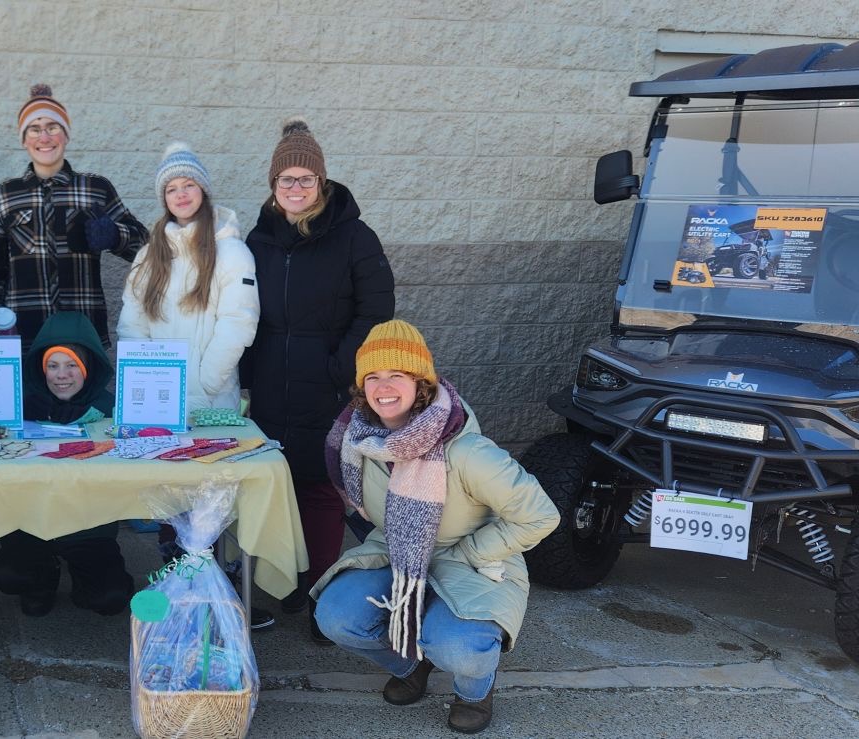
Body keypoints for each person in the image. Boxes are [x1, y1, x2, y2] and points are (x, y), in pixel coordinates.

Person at [311, 320, 559, 734]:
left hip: (469, 557)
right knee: (336, 616)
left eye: (397, 375)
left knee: (459, 647)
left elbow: (541, 514)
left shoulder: (467, 450)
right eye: (372, 376)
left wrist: (474, 552)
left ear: (421, 382)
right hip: (397, 551)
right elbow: (367, 512)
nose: (383, 386)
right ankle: (412, 663)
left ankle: (475, 691)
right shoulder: (359, 441)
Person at [240, 118, 396, 641]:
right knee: (272, 484)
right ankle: (283, 581)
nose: (297, 189)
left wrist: (340, 366)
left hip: (325, 383)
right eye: (287, 180)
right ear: (273, 185)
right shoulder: (258, 239)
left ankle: (320, 591)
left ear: (322, 183)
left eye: (306, 179)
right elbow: (239, 308)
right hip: (269, 382)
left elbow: (376, 310)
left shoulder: (353, 236)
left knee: (322, 492)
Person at [116, 142, 272, 628]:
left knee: (211, 502)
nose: (180, 194)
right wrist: (143, 387)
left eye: (188, 185)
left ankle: (219, 600)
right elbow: (131, 325)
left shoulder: (230, 251)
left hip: (210, 400)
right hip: (157, 407)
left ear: (203, 190)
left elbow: (238, 324)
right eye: (171, 187)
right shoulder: (150, 255)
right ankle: (175, 596)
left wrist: (201, 387)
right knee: (168, 500)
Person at [0, 312, 134, 617]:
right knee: (10, 575)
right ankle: (43, 579)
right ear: (41, 369)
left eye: (72, 366)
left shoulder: (112, 410)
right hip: (30, 523)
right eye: (52, 366)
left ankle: (82, 577)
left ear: (88, 368)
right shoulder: (17, 405)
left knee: (112, 596)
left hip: (88, 525)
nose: (61, 375)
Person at [0, 84, 147, 348]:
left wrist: (115, 235)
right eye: (34, 129)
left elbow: (144, 248)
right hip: (25, 334)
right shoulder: (4, 195)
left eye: (53, 127)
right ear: (24, 140)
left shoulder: (96, 188)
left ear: (66, 135)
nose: (44, 137)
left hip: (83, 332)